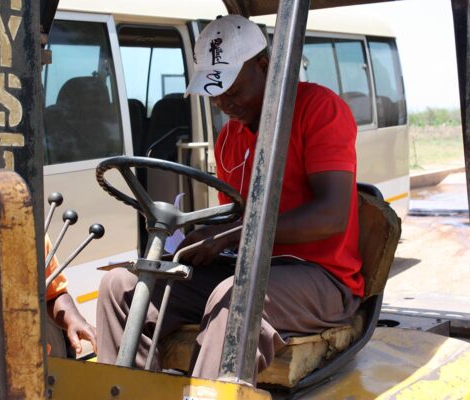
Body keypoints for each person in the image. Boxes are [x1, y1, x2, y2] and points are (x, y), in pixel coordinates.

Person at [96, 15, 362, 381]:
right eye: (215, 92)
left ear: (265, 66)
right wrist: (198, 234)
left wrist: (233, 235)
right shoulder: (230, 139)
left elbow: (331, 216)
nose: (223, 103)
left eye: (233, 92)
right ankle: (126, 389)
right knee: (123, 287)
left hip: (319, 277)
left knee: (236, 295)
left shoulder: (318, 108)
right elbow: (234, 217)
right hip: (249, 266)